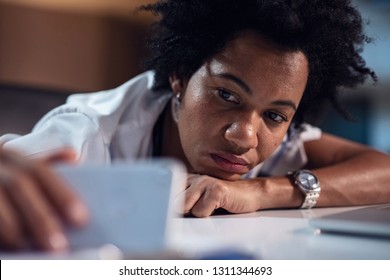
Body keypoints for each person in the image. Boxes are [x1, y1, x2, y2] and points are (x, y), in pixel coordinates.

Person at [1, 0, 390, 252]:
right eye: (226, 95)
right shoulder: (86, 134)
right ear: (181, 78)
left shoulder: (280, 134)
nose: (245, 137)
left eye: (274, 115)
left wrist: (260, 192)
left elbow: (384, 171)